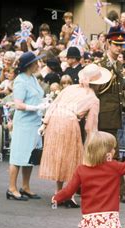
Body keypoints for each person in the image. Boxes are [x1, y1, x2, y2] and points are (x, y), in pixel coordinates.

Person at [39, 64, 110, 206]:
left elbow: (54, 105)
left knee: (59, 156)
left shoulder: (69, 88)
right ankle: (69, 195)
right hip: (70, 123)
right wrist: (92, 142)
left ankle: (58, 191)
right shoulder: (94, 99)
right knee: (72, 158)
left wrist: (45, 123)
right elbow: (91, 126)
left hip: (54, 121)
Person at [96, 32, 125, 203]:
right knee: (112, 153)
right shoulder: (100, 66)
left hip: (114, 115)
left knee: (103, 153)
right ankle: (121, 190)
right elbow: (96, 92)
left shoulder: (118, 65)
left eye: (121, 45)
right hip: (103, 115)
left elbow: (121, 89)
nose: (119, 49)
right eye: (116, 45)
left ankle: (85, 186)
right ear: (108, 44)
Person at [7, 52, 48, 201]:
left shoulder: (33, 78)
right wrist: (35, 108)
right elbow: (18, 104)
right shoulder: (20, 80)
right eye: (36, 62)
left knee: (30, 156)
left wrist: (44, 104)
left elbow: (37, 97)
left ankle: (25, 186)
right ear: (29, 65)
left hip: (34, 122)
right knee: (18, 155)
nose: (38, 64)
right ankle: (12, 188)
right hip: (24, 123)